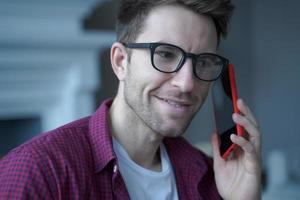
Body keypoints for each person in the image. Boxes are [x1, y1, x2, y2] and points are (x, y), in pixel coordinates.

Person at [0, 0, 262, 199]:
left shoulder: (210, 178)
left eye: (203, 62)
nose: (186, 83)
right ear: (120, 61)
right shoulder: (38, 172)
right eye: (166, 54)